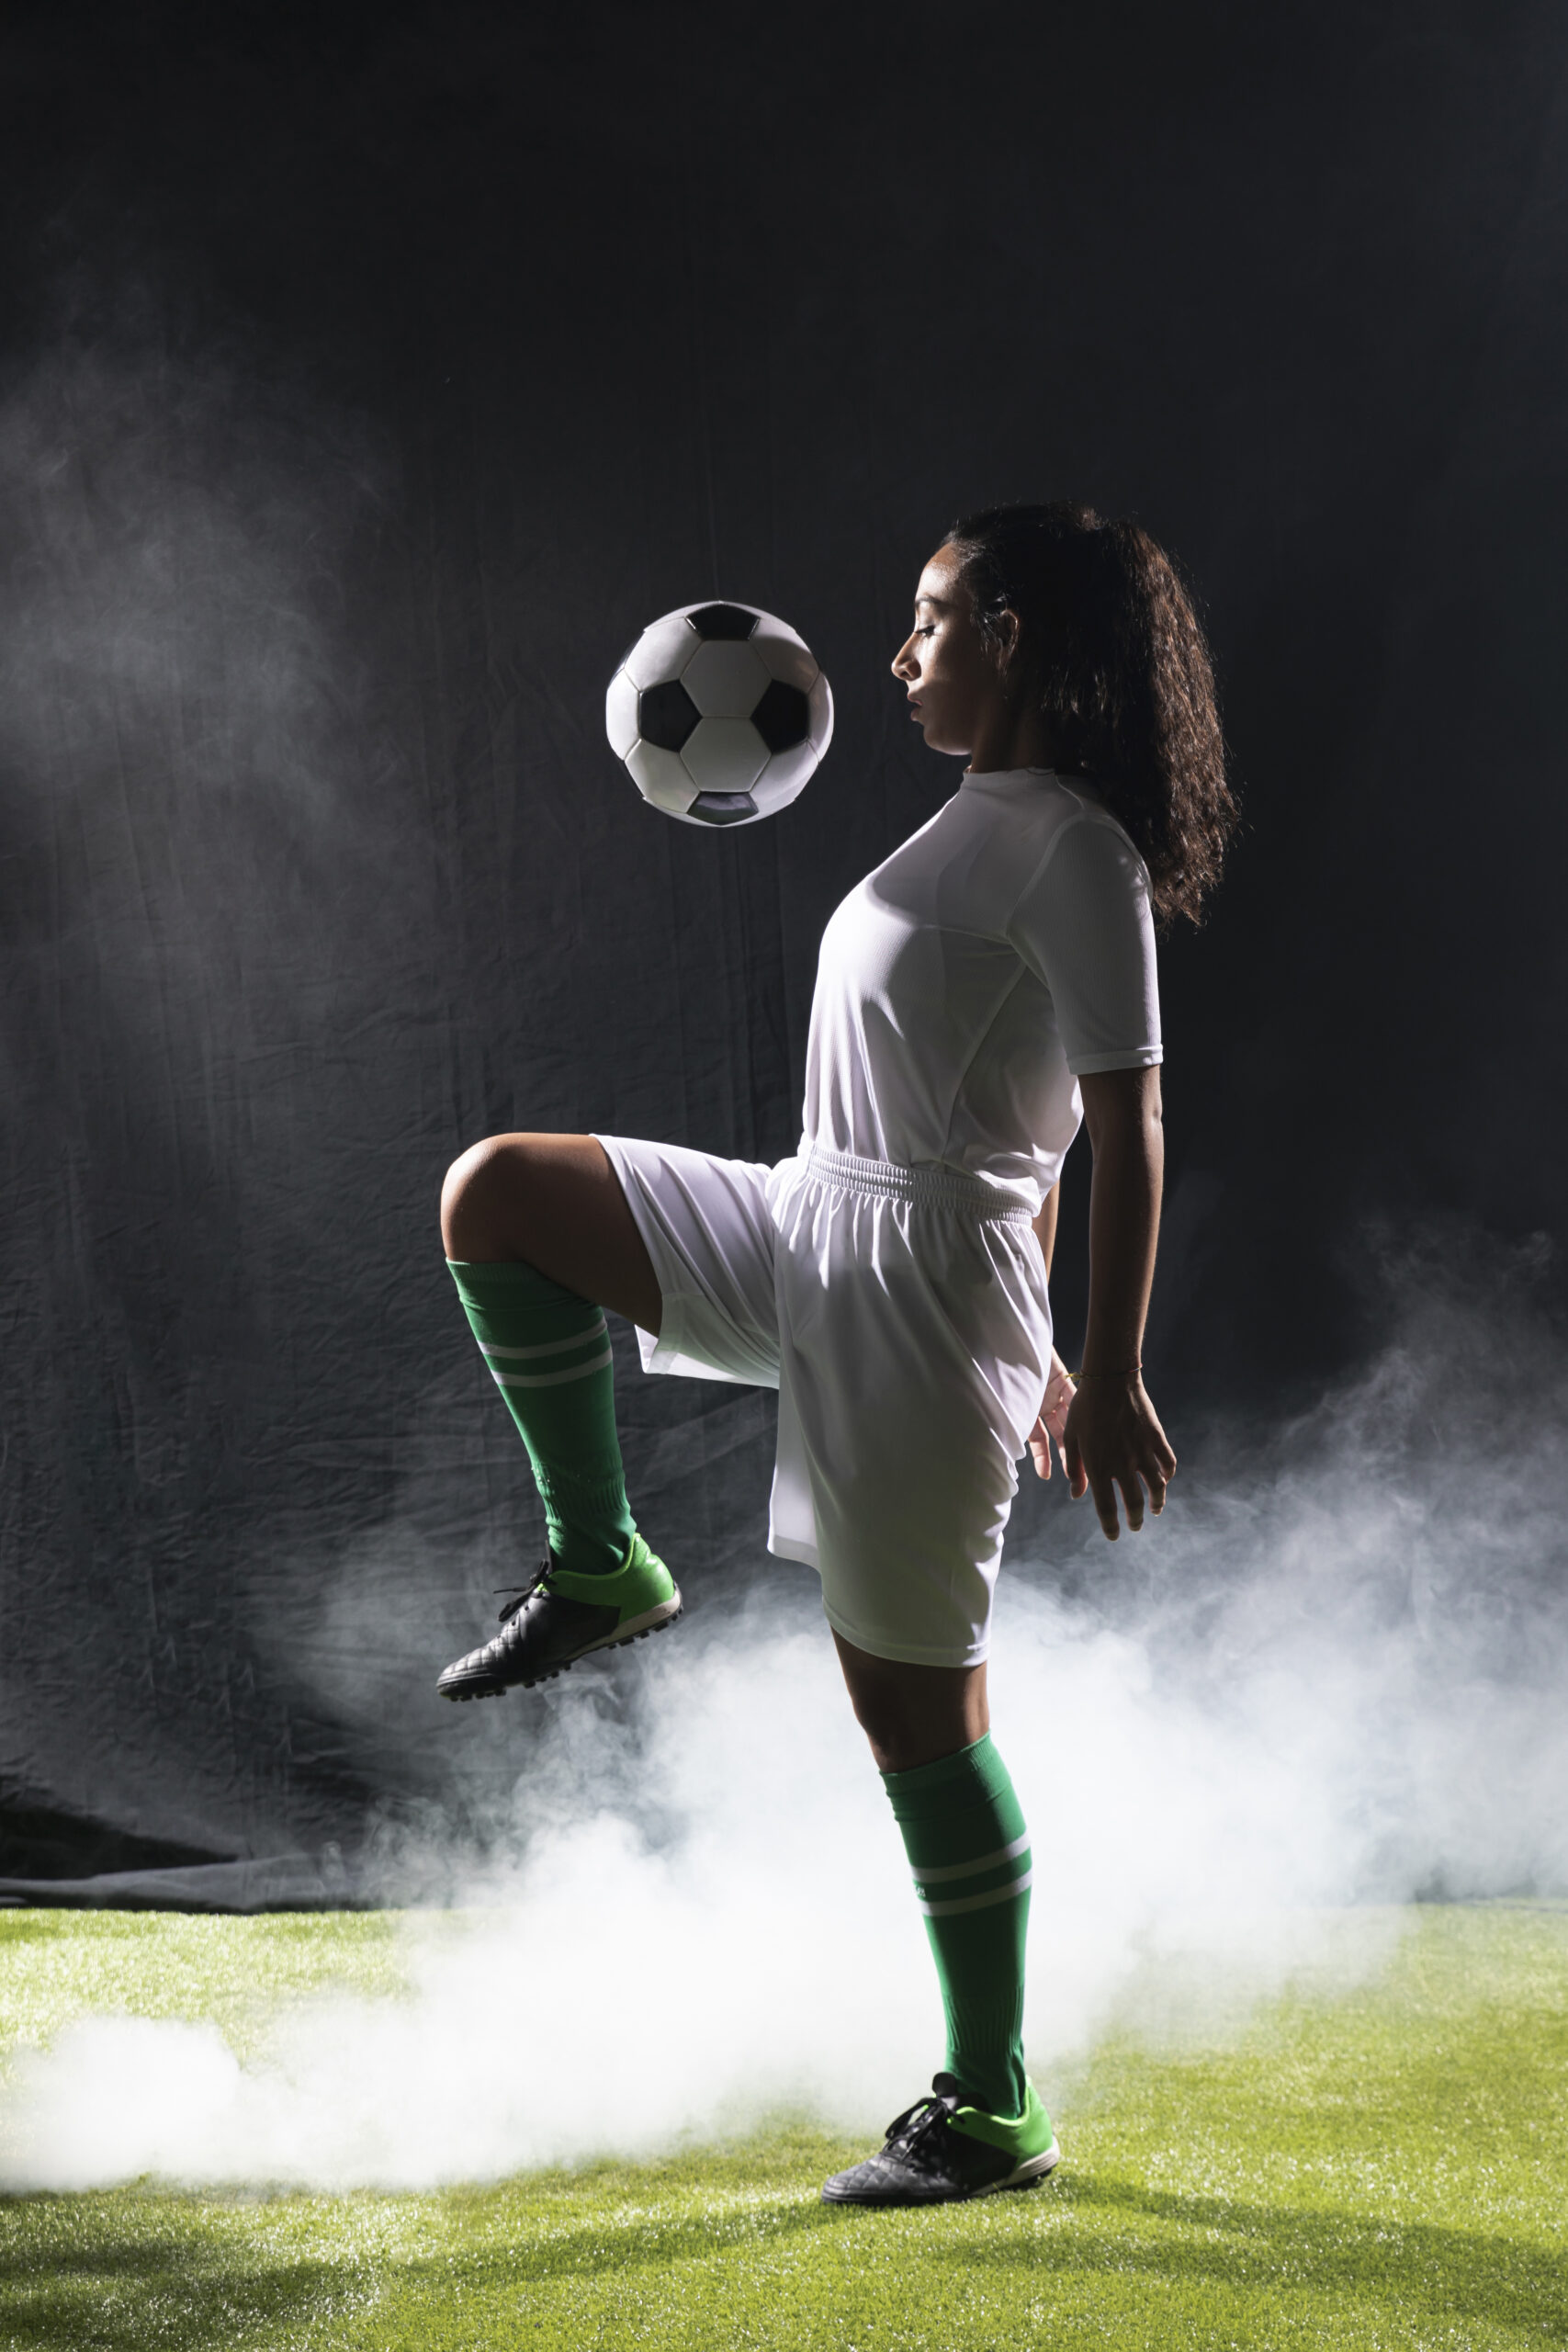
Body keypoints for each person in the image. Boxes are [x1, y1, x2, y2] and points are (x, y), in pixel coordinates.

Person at [434, 501, 1235, 2206]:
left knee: (916, 1720)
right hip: (814, 1221)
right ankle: (603, 1560)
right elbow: (1022, 1108)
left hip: (929, 1297)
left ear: (1013, 635)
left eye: (931, 620)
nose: (898, 654)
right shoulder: (977, 825)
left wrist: (1100, 1361)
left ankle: (995, 2101)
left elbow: (1123, 1120)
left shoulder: (1077, 852)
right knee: (498, 1194)